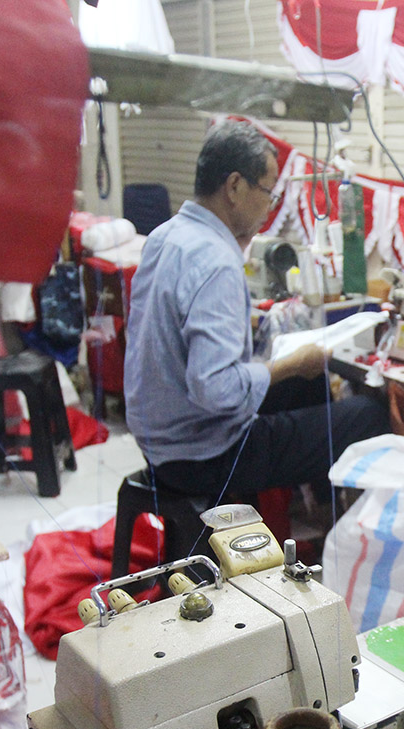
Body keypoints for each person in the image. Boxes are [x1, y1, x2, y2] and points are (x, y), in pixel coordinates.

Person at [125, 119, 389, 502]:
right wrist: (289, 364)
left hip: (159, 440)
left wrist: (293, 369)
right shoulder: (217, 260)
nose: (269, 207)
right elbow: (215, 390)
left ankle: (311, 515)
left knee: (307, 383)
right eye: (267, 193)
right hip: (205, 457)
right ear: (234, 187)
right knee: (367, 415)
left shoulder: (165, 236)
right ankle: (340, 538)